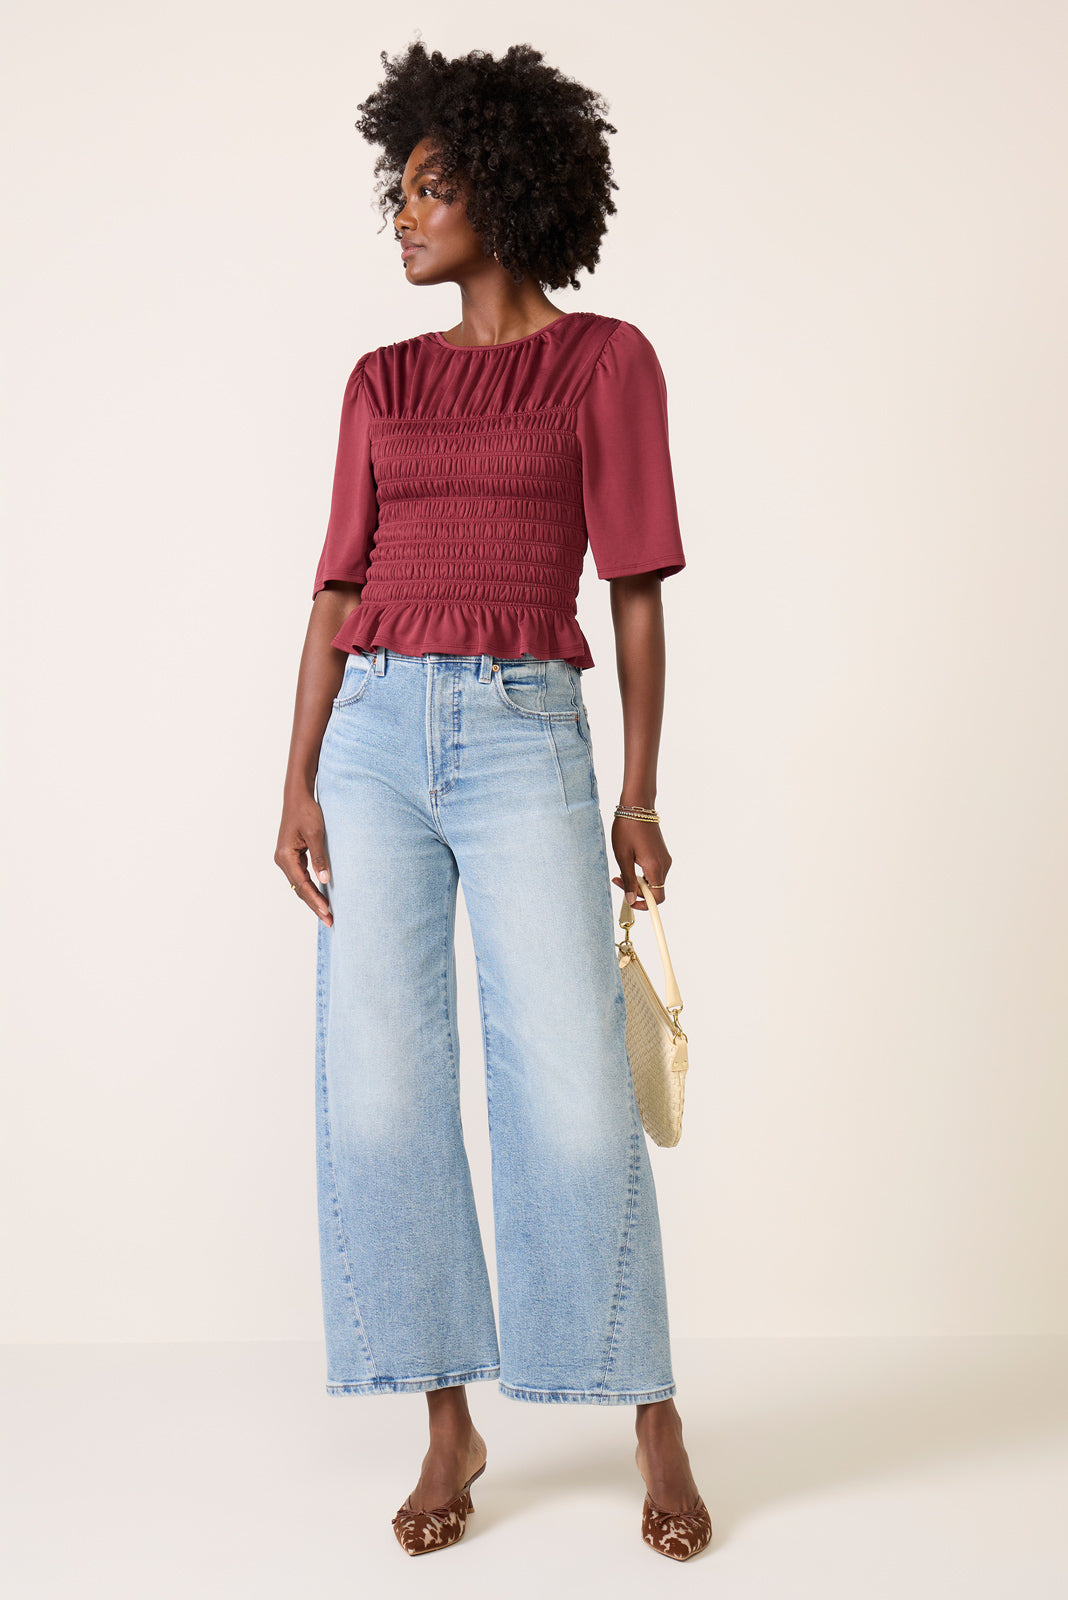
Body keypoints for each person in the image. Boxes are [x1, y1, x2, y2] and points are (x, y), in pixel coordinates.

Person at [275, 40, 711, 1562]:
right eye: (396, 190)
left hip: (528, 733)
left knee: (576, 1095)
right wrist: (296, 775)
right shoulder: (380, 382)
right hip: (373, 739)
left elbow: (636, 588)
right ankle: (446, 1417)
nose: (402, 214)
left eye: (429, 187)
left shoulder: (606, 362)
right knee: (383, 1093)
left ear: (506, 191)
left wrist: (639, 793)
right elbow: (338, 587)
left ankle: (649, 1408)